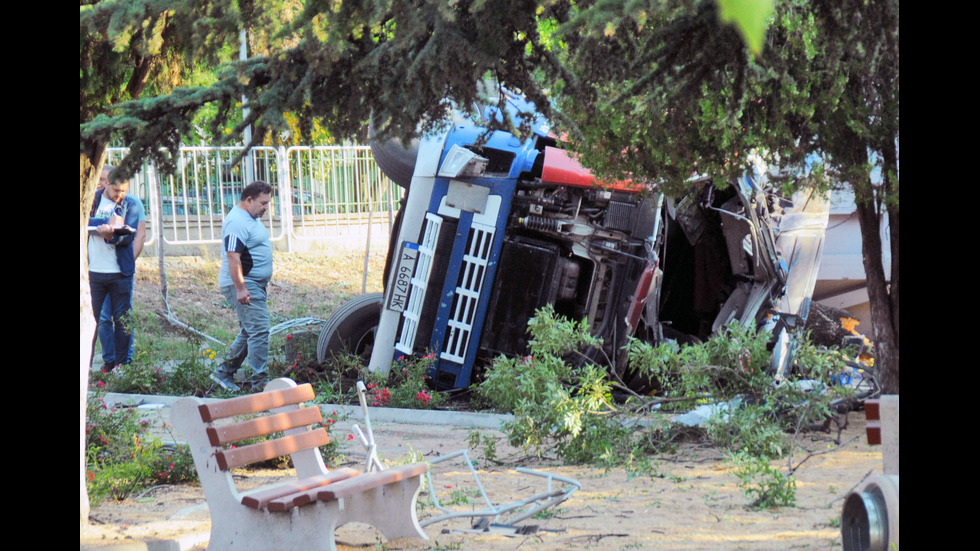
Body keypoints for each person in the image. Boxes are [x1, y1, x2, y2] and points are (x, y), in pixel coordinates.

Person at [210, 181, 275, 392]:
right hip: (244, 283)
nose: (266, 207)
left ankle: (223, 373)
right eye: (263, 203)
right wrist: (240, 288)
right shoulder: (237, 221)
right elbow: (232, 255)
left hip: (253, 283)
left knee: (250, 331)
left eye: (268, 203)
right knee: (259, 331)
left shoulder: (250, 217)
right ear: (249, 200)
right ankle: (260, 385)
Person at [89, 168, 145, 370]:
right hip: (93, 272)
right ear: (106, 184)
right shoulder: (92, 199)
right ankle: (86, 365)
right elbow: (83, 220)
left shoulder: (131, 203)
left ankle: (122, 365)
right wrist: (105, 223)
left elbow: (129, 235)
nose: (119, 195)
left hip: (120, 272)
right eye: (115, 190)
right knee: (91, 321)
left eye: (123, 190)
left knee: (123, 320)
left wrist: (110, 235)